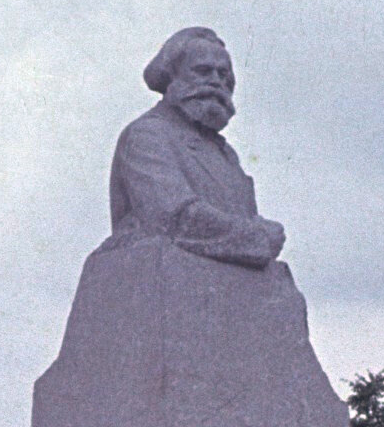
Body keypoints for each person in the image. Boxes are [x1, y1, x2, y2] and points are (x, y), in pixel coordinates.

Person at [105, 27, 286, 270]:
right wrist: (257, 238)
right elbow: (173, 217)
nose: (216, 81)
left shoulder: (225, 154)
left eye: (223, 75)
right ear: (173, 77)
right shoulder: (148, 135)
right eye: (202, 71)